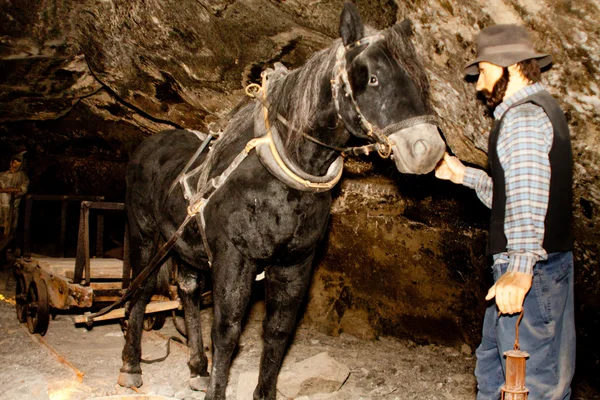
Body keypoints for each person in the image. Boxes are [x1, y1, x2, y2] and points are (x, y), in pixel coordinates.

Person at [435, 25, 575, 399]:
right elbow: (518, 194)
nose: (480, 85)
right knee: (497, 371)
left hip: (531, 273)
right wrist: (463, 175)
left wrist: (519, 269)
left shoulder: (522, 118)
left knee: (530, 383)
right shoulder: (540, 110)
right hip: (540, 270)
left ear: (508, 65)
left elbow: (528, 204)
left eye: (482, 71)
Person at [0, 151, 29, 237]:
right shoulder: (2, 174)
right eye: (14, 162)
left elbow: (23, 189)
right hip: (0, 201)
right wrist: (5, 190)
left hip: (13, 203)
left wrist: (13, 190)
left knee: (11, 226)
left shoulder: (23, 176)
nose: (15, 165)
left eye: (18, 163)